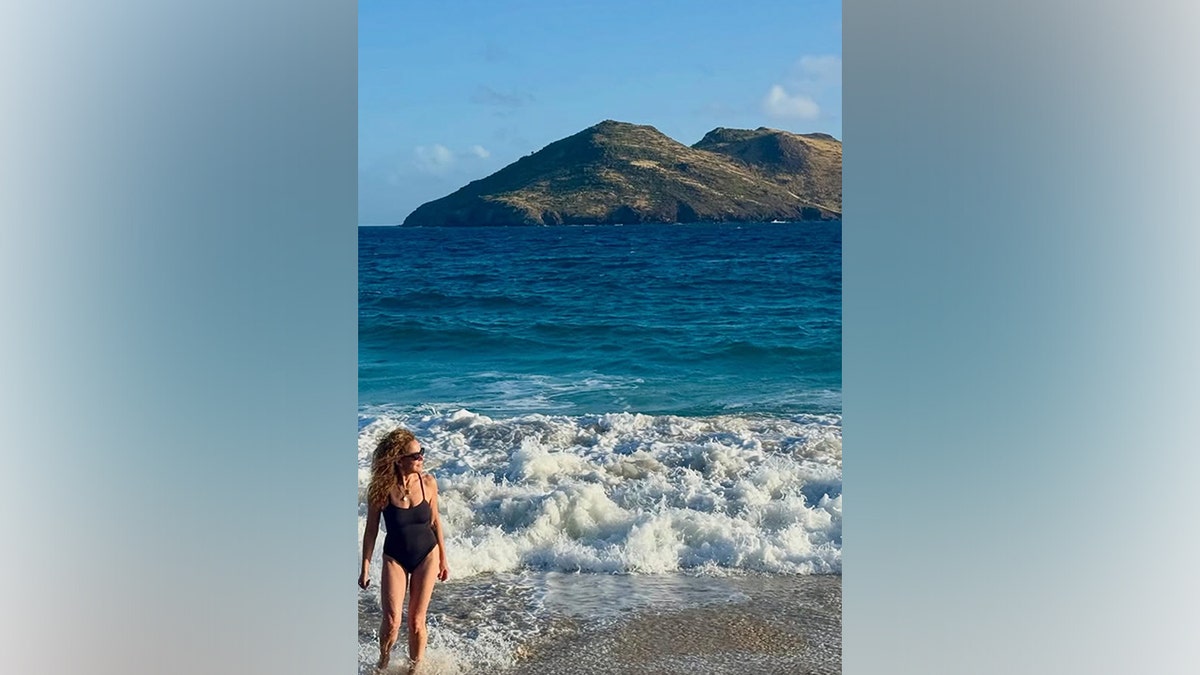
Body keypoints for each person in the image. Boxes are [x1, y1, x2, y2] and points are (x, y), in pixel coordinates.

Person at [360, 428, 450, 672]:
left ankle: (414, 669)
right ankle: (384, 661)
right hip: (395, 557)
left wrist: (443, 558)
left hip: (426, 555)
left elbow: (435, 522)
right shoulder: (380, 489)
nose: (421, 458)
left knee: (416, 621)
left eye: (421, 453)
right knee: (391, 621)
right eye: (415, 455)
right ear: (399, 460)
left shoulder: (429, 483)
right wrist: (365, 567)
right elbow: (371, 530)